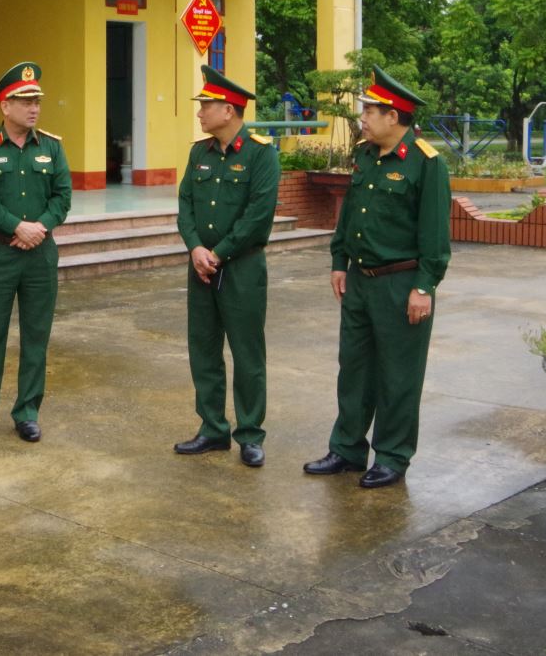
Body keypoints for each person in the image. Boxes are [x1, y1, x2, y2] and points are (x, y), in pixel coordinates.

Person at [304, 65, 452, 488]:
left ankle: (392, 455)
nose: (363, 118)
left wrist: (425, 286)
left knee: (398, 374)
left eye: (370, 110)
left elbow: (436, 235)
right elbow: (350, 215)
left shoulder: (426, 164)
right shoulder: (366, 157)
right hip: (360, 280)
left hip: (401, 283)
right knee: (353, 368)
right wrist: (338, 260)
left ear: (395, 117)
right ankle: (347, 448)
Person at [173, 65, 279, 468]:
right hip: (201, 267)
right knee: (203, 349)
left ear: (230, 110)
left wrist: (218, 254)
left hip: (242, 269)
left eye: (207, 105)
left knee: (247, 352)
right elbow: (185, 204)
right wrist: (196, 247)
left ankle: (250, 434)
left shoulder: (260, 153)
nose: (200, 112)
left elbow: (259, 214)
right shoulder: (199, 152)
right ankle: (212, 428)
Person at [0, 62, 72, 445]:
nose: (34, 108)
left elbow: (63, 196)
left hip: (40, 254)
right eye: (24, 101)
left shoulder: (52, 147)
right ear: (4, 106)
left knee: (36, 337)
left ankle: (27, 412)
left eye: (36, 100)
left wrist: (39, 227)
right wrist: (16, 227)